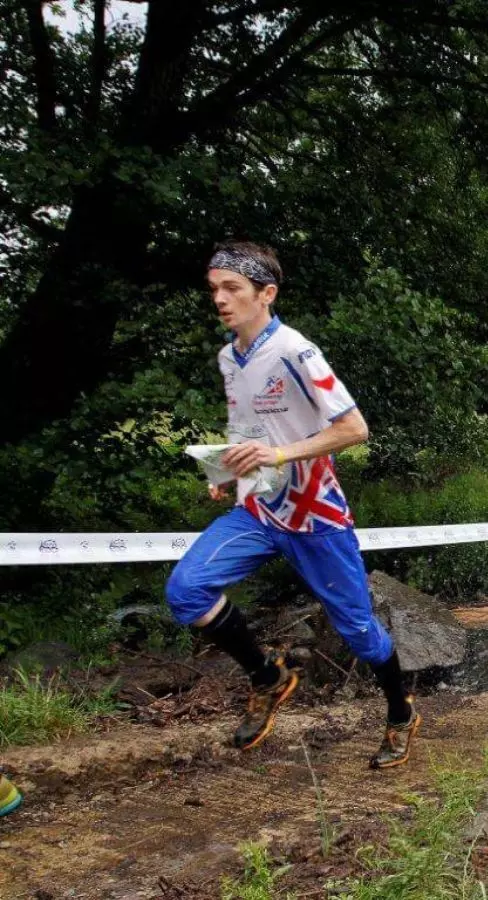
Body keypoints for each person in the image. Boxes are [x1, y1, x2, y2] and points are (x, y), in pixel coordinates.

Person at [164, 242, 416, 766]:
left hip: (315, 516)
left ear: (266, 293)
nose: (220, 300)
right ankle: (268, 676)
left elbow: (354, 429)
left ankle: (400, 713)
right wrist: (230, 471)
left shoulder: (296, 351)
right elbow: (251, 432)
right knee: (187, 592)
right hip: (259, 511)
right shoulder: (228, 357)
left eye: (233, 288)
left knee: (361, 634)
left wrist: (278, 452)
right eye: (215, 289)